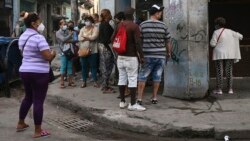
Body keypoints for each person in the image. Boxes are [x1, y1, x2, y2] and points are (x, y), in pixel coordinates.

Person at [16, 12, 56, 138]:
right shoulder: (39, 38)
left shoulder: (22, 37)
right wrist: (53, 53)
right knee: (38, 100)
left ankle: (21, 123)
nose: (41, 24)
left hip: (25, 71)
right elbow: (47, 57)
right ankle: (38, 131)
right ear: (33, 24)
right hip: (39, 73)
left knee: (28, 97)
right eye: (39, 22)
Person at [137, 4, 172, 105]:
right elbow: (168, 41)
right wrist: (169, 52)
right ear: (156, 13)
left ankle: (139, 98)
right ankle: (154, 97)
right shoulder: (163, 25)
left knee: (143, 76)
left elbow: (139, 41)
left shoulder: (143, 25)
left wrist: (140, 54)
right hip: (160, 56)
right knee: (157, 77)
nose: (161, 14)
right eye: (160, 12)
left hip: (147, 55)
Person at [115, 8, 145, 111]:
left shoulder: (119, 25)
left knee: (122, 78)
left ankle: (122, 102)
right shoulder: (134, 26)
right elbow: (137, 43)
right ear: (133, 15)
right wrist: (142, 56)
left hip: (120, 57)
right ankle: (132, 104)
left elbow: (112, 39)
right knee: (132, 79)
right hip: (131, 57)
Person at [210, 17, 243, 95]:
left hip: (219, 54)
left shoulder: (216, 32)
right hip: (230, 54)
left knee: (219, 72)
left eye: (215, 24)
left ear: (217, 25)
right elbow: (241, 36)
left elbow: (212, 44)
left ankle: (219, 89)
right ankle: (230, 89)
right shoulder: (230, 31)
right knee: (229, 71)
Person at [78, 16, 99, 88]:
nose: (87, 22)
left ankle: (95, 81)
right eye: (86, 20)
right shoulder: (82, 29)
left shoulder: (95, 28)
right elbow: (79, 38)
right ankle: (84, 82)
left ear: (91, 21)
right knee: (84, 67)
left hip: (93, 50)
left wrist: (85, 37)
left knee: (93, 66)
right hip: (83, 50)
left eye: (88, 20)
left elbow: (94, 37)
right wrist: (88, 38)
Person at [98, 9, 115, 93]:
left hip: (103, 47)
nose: (111, 15)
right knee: (107, 66)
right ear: (107, 15)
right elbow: (106, 39)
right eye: (110, 14)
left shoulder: (103, 24)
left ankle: (105, 85)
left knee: (105, 66)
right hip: (106, 47)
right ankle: (105, 86)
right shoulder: (105, 25)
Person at [56, 19, 76, 88]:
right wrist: (70, 35)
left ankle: (70, 81)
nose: (65, 26)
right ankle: (62, 82)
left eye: (65, 24)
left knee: (70, 66)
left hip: (69, 51)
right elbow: (63, 40)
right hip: (63, 52)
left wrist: (68, 39)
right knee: (63, 67)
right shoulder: (58, 32)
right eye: (63, 24)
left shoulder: (67, 31)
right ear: (60, 25)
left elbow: (73, 40)